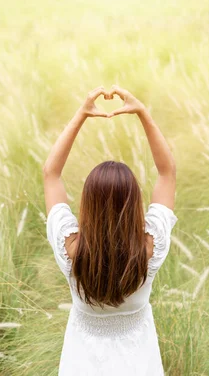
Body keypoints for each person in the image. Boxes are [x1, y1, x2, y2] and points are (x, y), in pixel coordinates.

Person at [43, 85, 178, 375]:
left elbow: (51, 173)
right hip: (139, 360)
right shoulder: (150, 248)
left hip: (82, 362)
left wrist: (81, 114)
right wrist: (143, 114)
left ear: (87, 204)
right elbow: (167, 172)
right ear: (134, 205)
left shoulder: (70, 250)